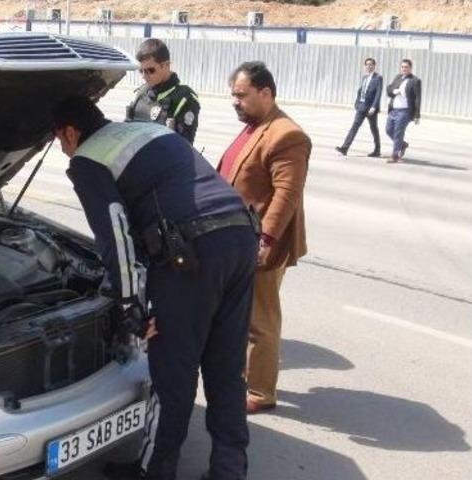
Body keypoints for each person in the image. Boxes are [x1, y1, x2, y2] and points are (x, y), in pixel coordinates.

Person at [52, 96, 258, 480]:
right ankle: (229, 471)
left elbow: (116, 235)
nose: (63, 150)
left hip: (191, 257)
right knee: (226, 367)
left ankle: (156, 471)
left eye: (60, 141)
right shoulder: (147, 130)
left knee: (173, 374)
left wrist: (131, 308)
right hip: (240, 237)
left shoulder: (87, 159)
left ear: (69, 132)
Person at [218, 62, 311, 415]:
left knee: (261, 320)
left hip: (261, 245)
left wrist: (266, 240)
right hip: (239, 238)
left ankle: (260, 392)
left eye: (241, 95)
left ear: (265, 93)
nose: (235, 102)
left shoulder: (287, 135)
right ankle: (244, 375)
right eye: (233, 95)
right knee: (242, 315)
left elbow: (287, 193)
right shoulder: (256, 126)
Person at [125, 38, 201, 144]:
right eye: (141, 71)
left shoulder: (184, 98)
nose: (144, 76)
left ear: (166, 65)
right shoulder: (142, 92)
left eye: (150, 70)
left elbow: (184, 147)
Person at [335, 57, 383, 157]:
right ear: (364, 66)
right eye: (367, 64)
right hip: (361, 107)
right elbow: (361, 91)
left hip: (371, 109)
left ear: (374, 66)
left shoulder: (378, 78)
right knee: (354, 126)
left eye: (371, 64)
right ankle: (344, 148)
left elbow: (378, 93)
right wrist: (357, 103)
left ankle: (377, 150)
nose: (369, 66)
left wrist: (374, 107)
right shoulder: (364, 77)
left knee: (374, 128)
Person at [385, 59, 422, 163]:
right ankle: (402, 144)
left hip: (404, 111)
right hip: (393, 110)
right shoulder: (398, 77)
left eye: (406, 67)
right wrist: (393, 91)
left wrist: (417, 115)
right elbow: (389, 89)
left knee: (398, 133)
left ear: (410, 68)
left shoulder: (415, 80)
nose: (404, 69)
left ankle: (395, 155)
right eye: (402, 67)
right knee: (388, 130)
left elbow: (417, 98)